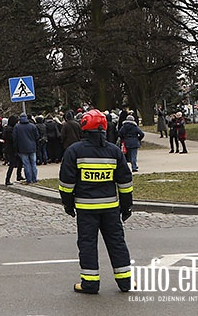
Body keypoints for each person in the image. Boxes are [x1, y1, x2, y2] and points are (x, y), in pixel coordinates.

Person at [59, 109, 133, 294]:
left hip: (86, 208)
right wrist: (126, 208)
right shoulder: (114, 151)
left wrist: (68, 205)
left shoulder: (74, 151)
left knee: (87, 245)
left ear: (84, 127)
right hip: (110, 208)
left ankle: (90, 284)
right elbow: (125, 182)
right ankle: (125, 282)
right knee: (117, 243)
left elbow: (66, 184)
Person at [12, 113, 40, 184]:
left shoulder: (17, 127)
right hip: (32, 147)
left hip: (22, 148)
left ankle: (28, 179)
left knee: (26, 164)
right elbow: (37, 137)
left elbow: (15, 138)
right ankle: (34, 179)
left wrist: (16, 148)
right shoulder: (32, 126)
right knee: (33, 164)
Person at [3, 117, 23, 185]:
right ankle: (7, 179)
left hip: (10, 148)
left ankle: (19, 176)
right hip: (11, 149)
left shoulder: (7, 129)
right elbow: (12, 139)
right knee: (12, 164)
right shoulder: (10, 130)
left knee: (19, 161)